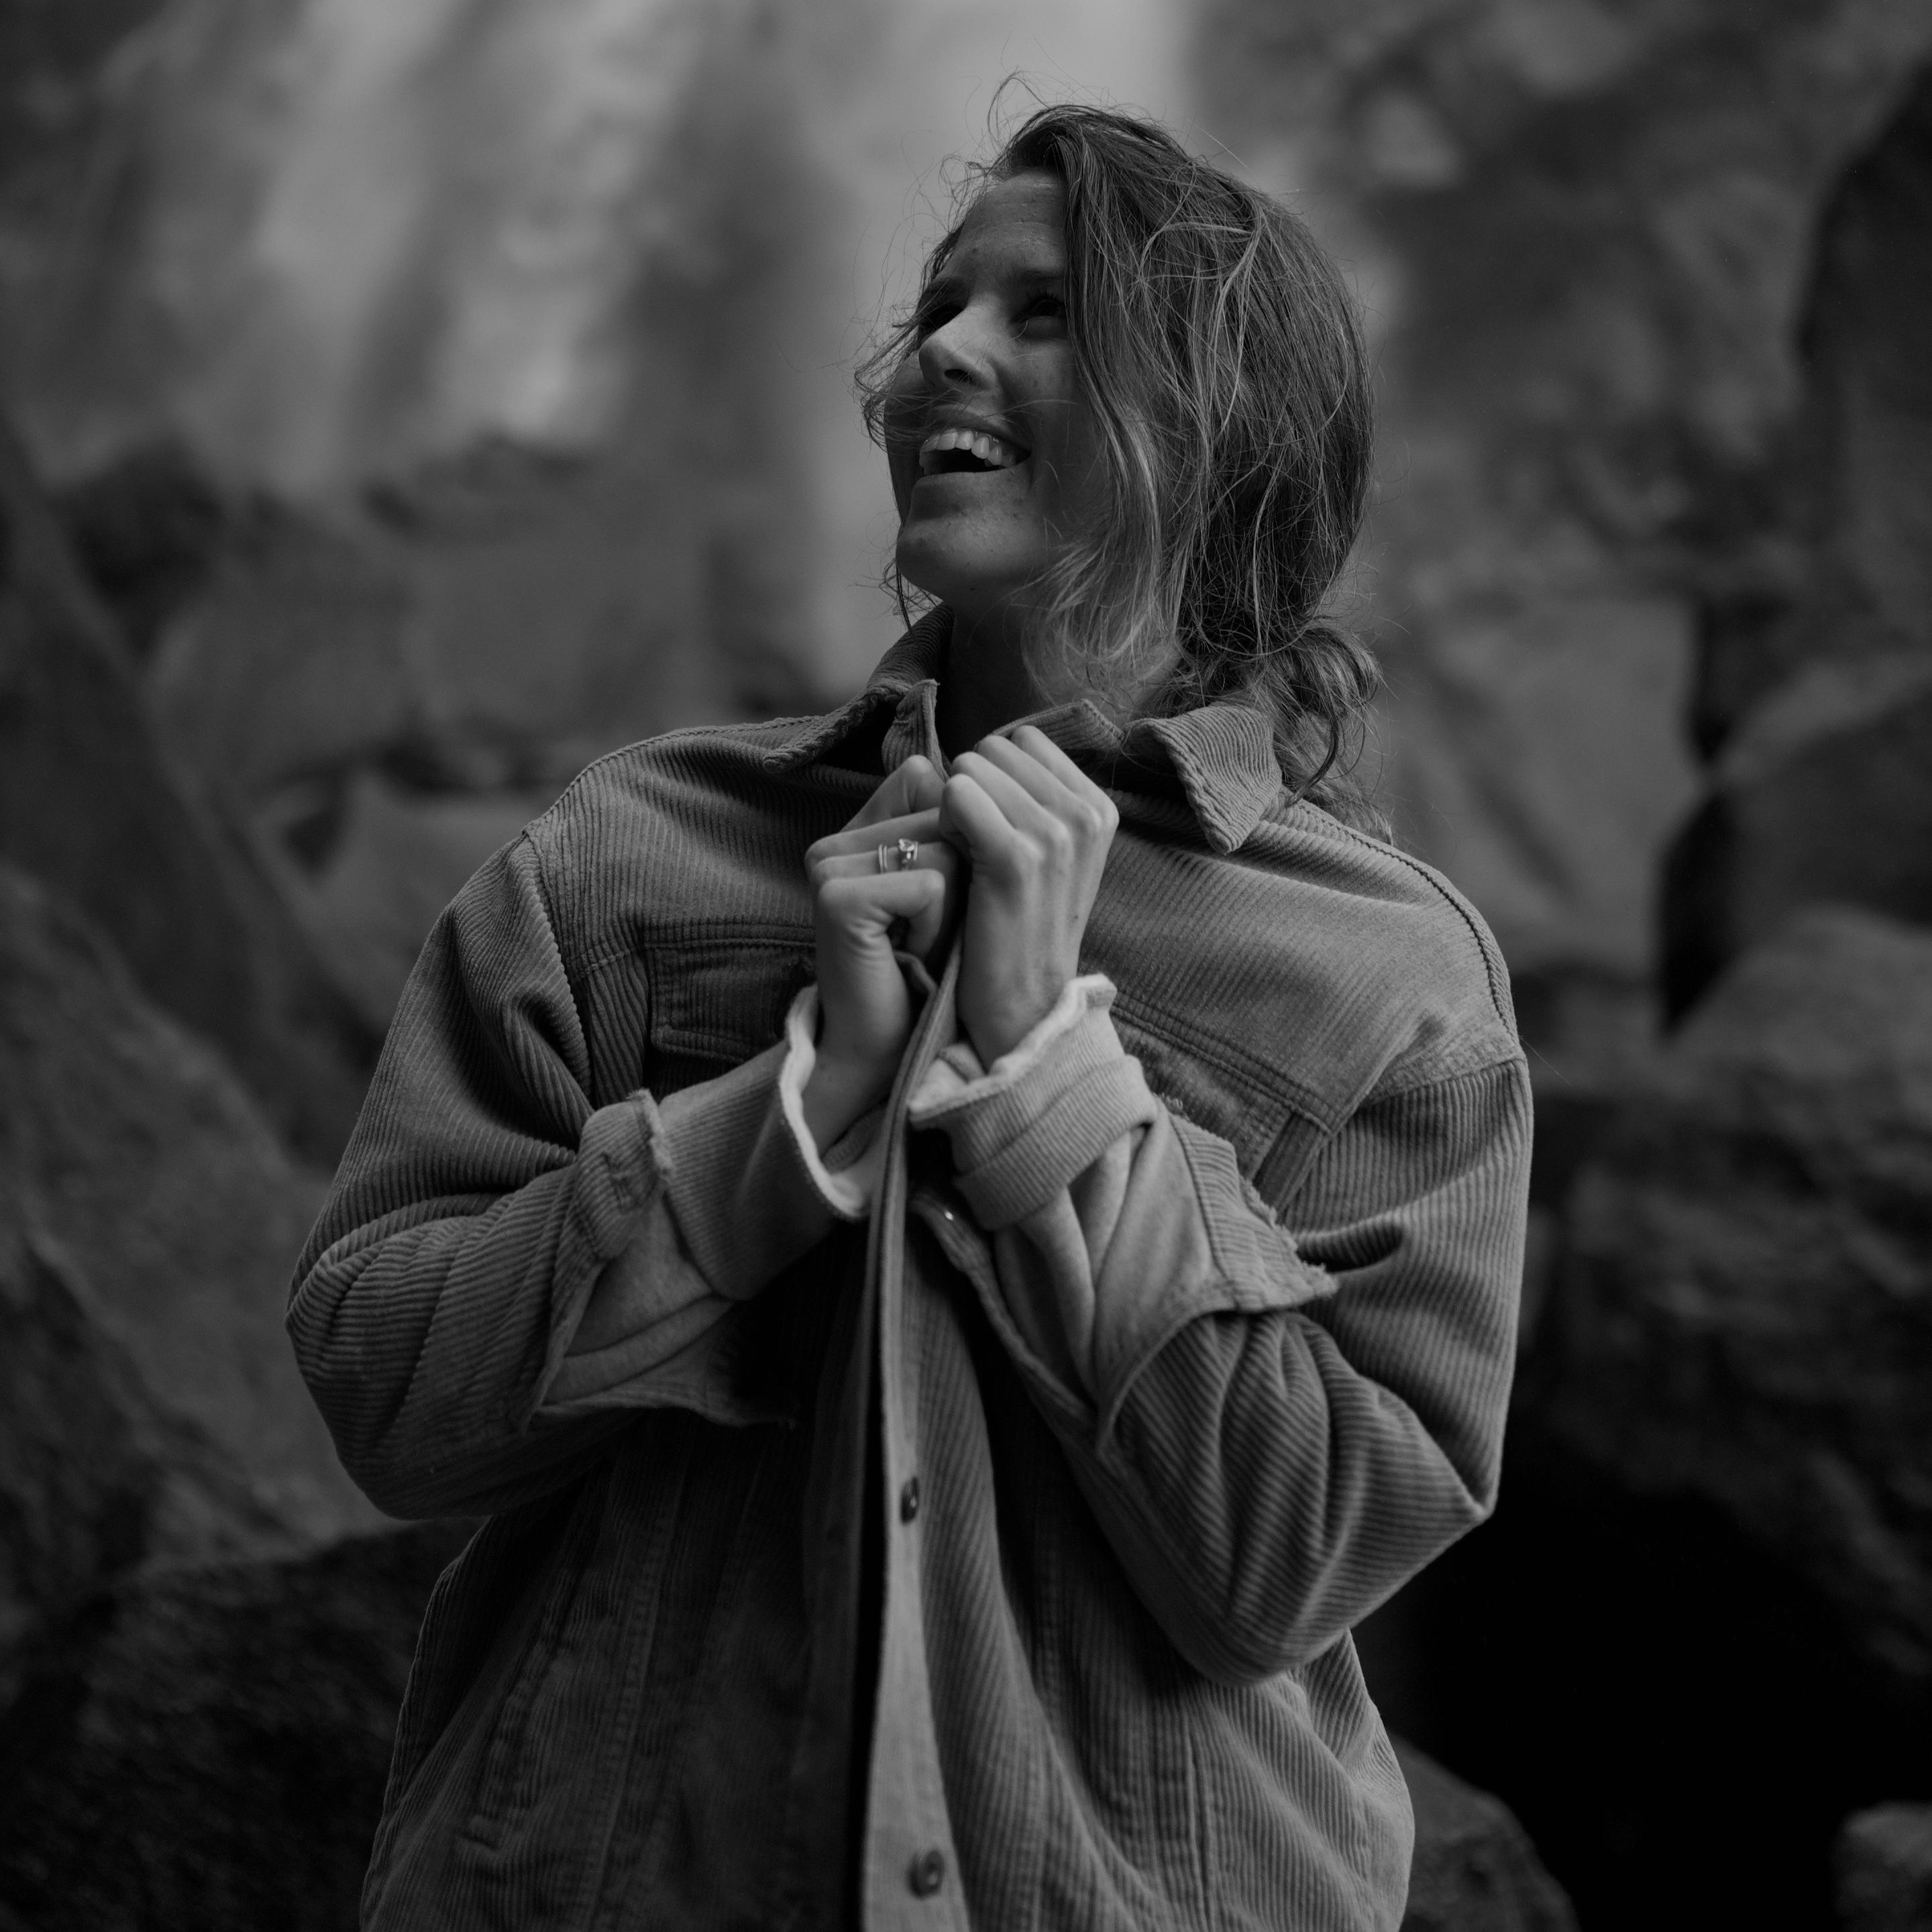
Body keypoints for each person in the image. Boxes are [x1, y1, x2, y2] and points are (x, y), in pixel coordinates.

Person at [290, 103, 1530, 1932]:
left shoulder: (1391, 977)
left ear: (1220, 424)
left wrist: (1048, 1079)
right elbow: (386, 1391)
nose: (942, 347)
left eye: (1047, 313)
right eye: (944, 304)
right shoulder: (635, 850)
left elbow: (1295, 1558)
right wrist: (797, 1113)